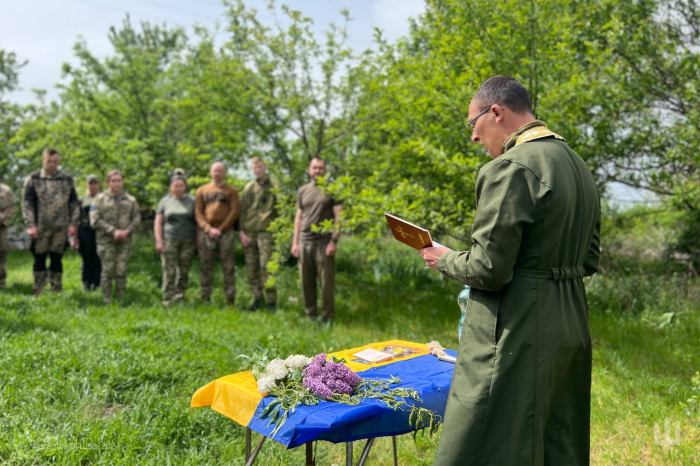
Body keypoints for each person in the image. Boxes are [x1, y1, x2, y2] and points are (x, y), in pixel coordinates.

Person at [420, 76, 601, 466]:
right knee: (556, 435)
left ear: (496, 112)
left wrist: (445, 259)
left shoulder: (510, 167)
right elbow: (589, 259)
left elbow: (488, 269)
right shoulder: (579, 167)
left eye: (473, 124)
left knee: (490, 436)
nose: (473, 137)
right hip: (570, 320)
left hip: (517, 326)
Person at [22, 148, 80, 295]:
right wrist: (30, 225)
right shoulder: (34, 178)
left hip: (60, 227)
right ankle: (39, 289)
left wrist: (73, 223)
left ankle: (56, 289)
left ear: (58, 161)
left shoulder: (67, 179)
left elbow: (74, 203)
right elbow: (27, 204)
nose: (52, 164)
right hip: (40, 227)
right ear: (43, 160)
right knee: (39, 258)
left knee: (57, 258)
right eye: (49, 161)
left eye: (55, 161)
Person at [291, 157, 342, 323]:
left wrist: (333, 241)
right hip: (304, 242)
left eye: (320, 168)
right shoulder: (303, 190)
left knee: (326, 283)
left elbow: (339, 217)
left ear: (325, 170)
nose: (317, 171)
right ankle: (311, 314)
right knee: (306, 281)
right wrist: (295, 242)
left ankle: (327, 317)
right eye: (314, 168)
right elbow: (298, 218)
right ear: (309, 170)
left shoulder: (332, 190)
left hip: (324, 242)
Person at [90, 170, 141, 304]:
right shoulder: (99, 199)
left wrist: (128, 231)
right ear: (108, 182)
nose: (117, 184)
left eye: (119, 181)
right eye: (113, 181)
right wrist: (113, 231)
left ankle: (121, 298)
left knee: (121, 270)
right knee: (107, 271)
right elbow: (94, 220)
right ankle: (106, 299)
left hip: (125, 240)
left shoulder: (131, 200)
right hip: (106, 241)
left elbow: (136, 218)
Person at [195, 161, 240, 306]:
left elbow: (235, 211)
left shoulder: (231, 191)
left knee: (228, 266)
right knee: (206, 265)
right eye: (215, 170)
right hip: (207, 233)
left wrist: (220, 229)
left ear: (224, 172)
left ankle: (230, 299)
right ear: (210, 172)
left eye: (220, 170)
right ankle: (205, 297)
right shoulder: (202, 190)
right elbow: (198, 212)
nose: (217, 173)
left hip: (225, 233)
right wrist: (208, 229)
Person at [239, 157, 278, 311]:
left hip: (266, 233)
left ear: (265, 167)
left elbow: (280, 208)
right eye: (254, 168)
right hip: (250, 232)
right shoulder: (249, 187)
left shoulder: (274, 185)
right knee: (252, 267)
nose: (257, 170)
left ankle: (271, 301)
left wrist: (279, 230)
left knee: (266, 267)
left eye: (260, 167)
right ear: (251, 170)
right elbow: (242, 211)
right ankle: (257, 298)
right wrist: (241, 231)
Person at [154, 175, 196, 305]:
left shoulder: (192, 201)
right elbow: (158, 222)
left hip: (188, 240)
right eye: (175, 186)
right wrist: (159, 241)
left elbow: (198, 222)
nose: (178, 188)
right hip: (169, 240)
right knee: (169, 270)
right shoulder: (165, 202)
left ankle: (180, 296)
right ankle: (167, 298)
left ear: (185, 187)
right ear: (171, 187)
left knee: (184, 270)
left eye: (181, 185)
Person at [78, 174, 101, 290]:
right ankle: (86, 283)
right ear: (86, 185)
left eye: (95, 183)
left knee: (98, 259)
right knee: (86, 259)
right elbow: (76, 217)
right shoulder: (82, 199)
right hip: (85, 231)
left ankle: (96, 284)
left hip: (99, 231)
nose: (93, 186)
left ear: (98, 185)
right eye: (90, 183)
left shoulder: (102, 198)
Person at [0, 182, 16, 289]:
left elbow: (12, 206)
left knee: (1, 253)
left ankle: (1, 283)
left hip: (1, 227)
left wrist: (3, 218)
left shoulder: (5, 190)